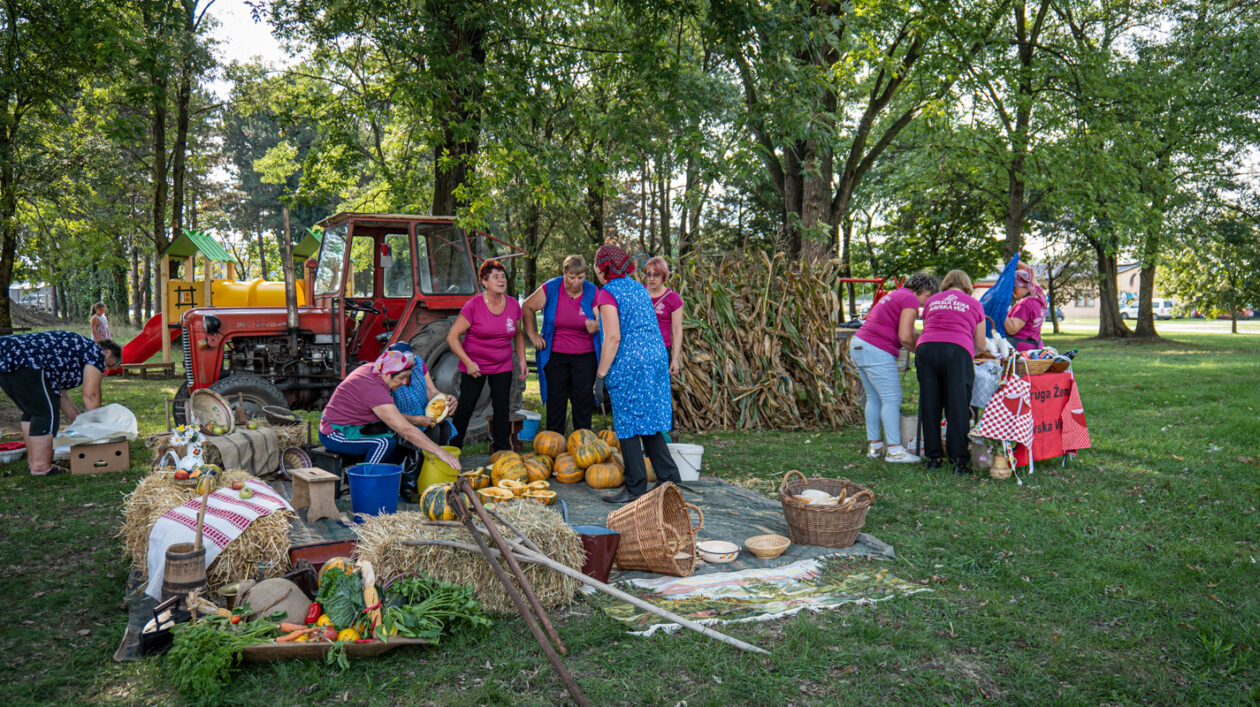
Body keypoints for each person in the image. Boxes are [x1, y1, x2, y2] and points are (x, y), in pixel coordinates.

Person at [591, 244, 682, 504]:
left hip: (631, 363)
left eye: (596, 263)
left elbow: (613, 338)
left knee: (627, 424)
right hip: (655, 358)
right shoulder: (638, 288)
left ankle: (635, 488)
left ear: (603, 267)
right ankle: (668, 477)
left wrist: (600, 376)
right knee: (649, 420)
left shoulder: (608, 293)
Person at [0, 331, 121, 475]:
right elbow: (91, 396)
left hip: (8, 356)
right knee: (45, 414)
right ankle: (41, 467)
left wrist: (80, 421)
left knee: (33, 411)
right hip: (26, 359)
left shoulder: (75, 352)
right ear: (107, 353)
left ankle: (34, 462)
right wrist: (98, 428)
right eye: (109, 365)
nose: (105, 369)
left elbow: (61, 396)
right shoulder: (96, 353)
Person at [850, 272, 940, 463]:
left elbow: (911, 330)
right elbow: (905, 336)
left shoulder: (897, 294)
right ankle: (894, 450)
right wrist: (921, 353)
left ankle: (875, 446)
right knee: (892, 399)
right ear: (927, 291)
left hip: (859, 344)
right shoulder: (910, 300)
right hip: (876, 348)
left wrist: (923, 341)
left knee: (874, 398)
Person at [318, 349, 461, 469]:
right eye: (401, 378)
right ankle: (365, 478)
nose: (404, 382)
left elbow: (393, 416)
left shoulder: (376, 370)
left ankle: (394, 478)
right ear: (388, 373)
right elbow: (407, 431)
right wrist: (441, 452)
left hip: (359, 426)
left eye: (407, 377)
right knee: (384, 444)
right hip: (335, 432)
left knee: (396, 442)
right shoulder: (374, 390)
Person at [447, 260, 528, 452]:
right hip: (475, 366)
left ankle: (500, 452)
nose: (501, 280)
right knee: (466, 407)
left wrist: (522, 359)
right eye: (495, 277)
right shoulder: (473, 306)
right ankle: (453, 450)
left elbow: (518, 334)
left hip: (502, 365)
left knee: (502, 408)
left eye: (503, 276)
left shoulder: (513, 305)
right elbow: (452, 337)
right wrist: (468, 362)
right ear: (484, 282)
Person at [916, 270, 986, 474]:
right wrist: (970, 351)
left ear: (946, 283)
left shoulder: (932, 301)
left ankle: (934, 458)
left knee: (930, 403)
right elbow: (981, 343)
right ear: (967, 285)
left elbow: (928, 327)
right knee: (957, 406)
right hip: (956, 350)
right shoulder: (974, 304)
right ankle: (959, 461)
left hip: (926, 349)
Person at [521, 255, 601, 435]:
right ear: (564, 273)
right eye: (572, 277)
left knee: (583, 402)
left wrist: (596, 326)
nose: (576, 282)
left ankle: (582, 441)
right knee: (556, 401)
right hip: (555, 356)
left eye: (580, 277)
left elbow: (601, 320)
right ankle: (554, 441)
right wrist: (533, 334)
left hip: (585, 357)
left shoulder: (591, 291)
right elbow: (527, 306)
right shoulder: (552, 287)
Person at [385, 341, 458, 445]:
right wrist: (415, 420)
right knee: (434, 431)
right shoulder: (386, 377)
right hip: (402, 421)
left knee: (445, 427)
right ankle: (423, 455)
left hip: (424, 416)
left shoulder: (417, 363)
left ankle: (439, 455)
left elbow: (431, 390)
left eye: (410, 367)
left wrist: (444, 399)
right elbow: (388, 414)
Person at [642, 256, 683, 376]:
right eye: (648, 274)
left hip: (662, 350)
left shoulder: (673, 298)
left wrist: (675, 359)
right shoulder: (639, 293)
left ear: (664, 276)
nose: (651, 279)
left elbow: (677, 330)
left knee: (660, 385)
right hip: (640, 349)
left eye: (656, 275)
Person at [1005, 267, 1046, 351]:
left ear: (1020, 286)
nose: (1012, 292)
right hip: (1036, 346)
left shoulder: (1025, 304)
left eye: (1013, 288)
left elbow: (1012, 329)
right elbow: (1031, 271)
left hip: (1022, 350)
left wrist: (1000, 309)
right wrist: (1017, 262)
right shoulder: (1040, 297)